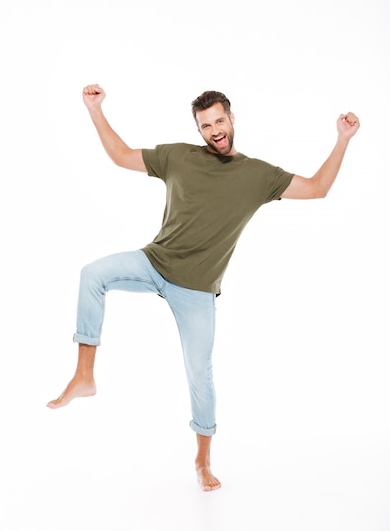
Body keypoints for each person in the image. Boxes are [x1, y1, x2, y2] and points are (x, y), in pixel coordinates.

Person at [47, 84, 360, 491]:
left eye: (219, 120)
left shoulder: (258, 176)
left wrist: (342, 140)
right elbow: (121, 156)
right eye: (205, 124)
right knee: (93, 273)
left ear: (231, 120)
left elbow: (318, 188)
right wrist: (94, 109)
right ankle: (84, 376)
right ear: (199, 129)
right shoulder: (178, 156)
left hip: (195, 290)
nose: (214, 129)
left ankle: (202, 460)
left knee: (200, 373)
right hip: (154, 262)